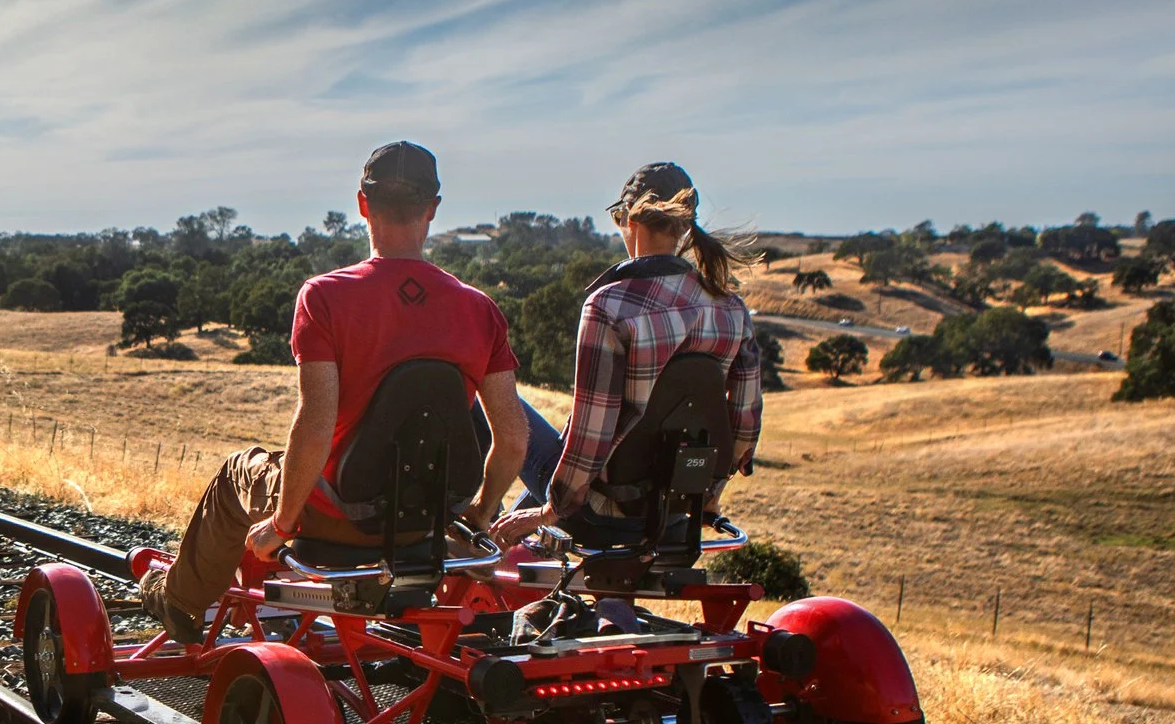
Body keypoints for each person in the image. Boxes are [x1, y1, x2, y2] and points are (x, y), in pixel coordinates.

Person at [136, 142, 530, 643]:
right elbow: (514, 439)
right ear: (432, 208)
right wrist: (477, 513)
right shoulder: (480, 310)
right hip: (426, 527)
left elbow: (316, 423)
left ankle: (179, 601)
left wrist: (281, 525)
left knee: (241, 468)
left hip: (333, 519)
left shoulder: (325, 296)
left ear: (363, 204)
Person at [493, 162, 761, 550]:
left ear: (628, 219)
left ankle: (481, 533)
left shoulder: (609, 305)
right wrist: (708, 494)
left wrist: (548, 513)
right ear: (686, 228)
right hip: (674, 510)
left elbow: (590, 438)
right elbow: (745, 428)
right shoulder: (731, 308)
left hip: (599, 511)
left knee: (500, 400)